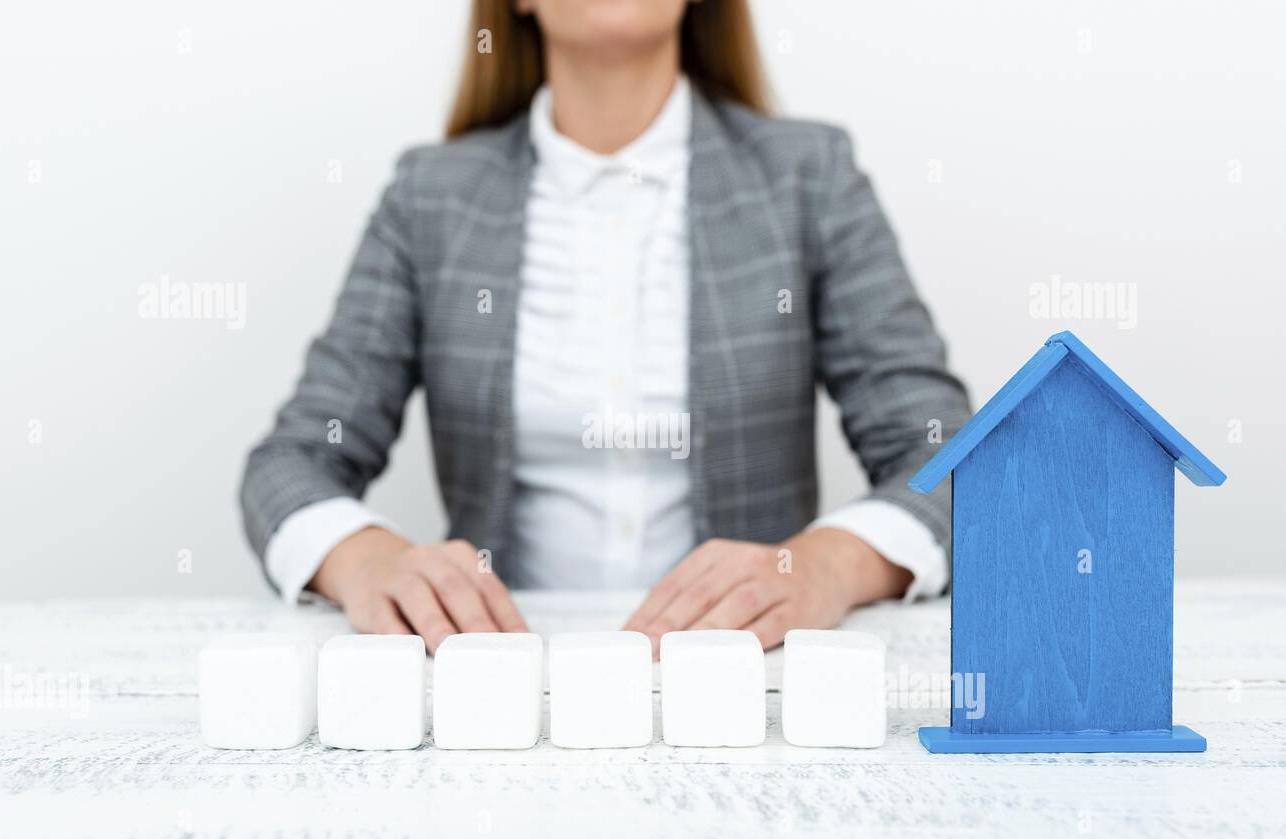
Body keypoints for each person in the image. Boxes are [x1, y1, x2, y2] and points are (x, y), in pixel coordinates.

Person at [240, 0, 970, 656]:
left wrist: (823, 567)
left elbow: (948, 456)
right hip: (503, 686)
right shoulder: (430, 199)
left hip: (747, 686)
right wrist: (367, 559)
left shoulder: (810, 178)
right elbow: (293, 462)